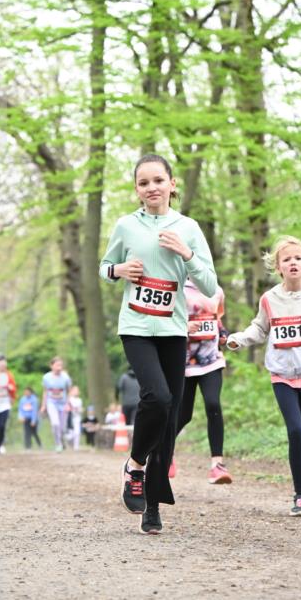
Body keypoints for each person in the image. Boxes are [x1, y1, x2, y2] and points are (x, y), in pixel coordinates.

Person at [99, 153, 217, 535]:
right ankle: (135, 465)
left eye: (158, 181)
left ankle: (152, 507)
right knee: (158, 398)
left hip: (173, 329)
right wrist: (118, 270)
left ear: (172, 184)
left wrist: (187, 254)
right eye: (143, 182)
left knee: (168, 416)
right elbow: (104, 266)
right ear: (136, 189)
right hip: (135, 325)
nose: (151, 188)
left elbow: (211, 286)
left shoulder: (188, 227)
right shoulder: (125, 226)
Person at [227, 236, 301, 517]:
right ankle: (300, 494)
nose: (292, 263)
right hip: (281, 375)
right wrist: (239, 340)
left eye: (297, 258)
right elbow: (260, 329)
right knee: (296, 431)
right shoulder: (270, 299)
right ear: (278, 268)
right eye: (286, 259)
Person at [174, 277, 232, 484]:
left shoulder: (216, 289)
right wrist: (183, 326)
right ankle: (164, 451)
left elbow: (217, 318)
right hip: (184, 362)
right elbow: (165, 320)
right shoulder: (177, 286)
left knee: (213, 404)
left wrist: (223, 333)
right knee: (184, 414)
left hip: (211, 360)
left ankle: (217, 465)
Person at [40, 356, 72, 452]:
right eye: (57, 365)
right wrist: (43, 405)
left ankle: (62, 441)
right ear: (51, 366)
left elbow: (69, 391)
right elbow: (45, 392)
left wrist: (68, 404)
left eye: (61, 365)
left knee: (62, 428)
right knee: (55, 424)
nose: (59, 367)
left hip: (63, 404)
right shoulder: (46, 377)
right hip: (51, 403)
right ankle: (58, 444)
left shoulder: (66, 377)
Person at [66, 385, 83, 450]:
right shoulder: (69, 399)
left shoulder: (79, 400)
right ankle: (70, 442)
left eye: (77, 391)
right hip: (70, 417)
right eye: (75, 390)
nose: (76, 392)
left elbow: (80, 408)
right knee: (70, 434)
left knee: (77, 432)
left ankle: (76, 446)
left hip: (77, 417)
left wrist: (80, 410)